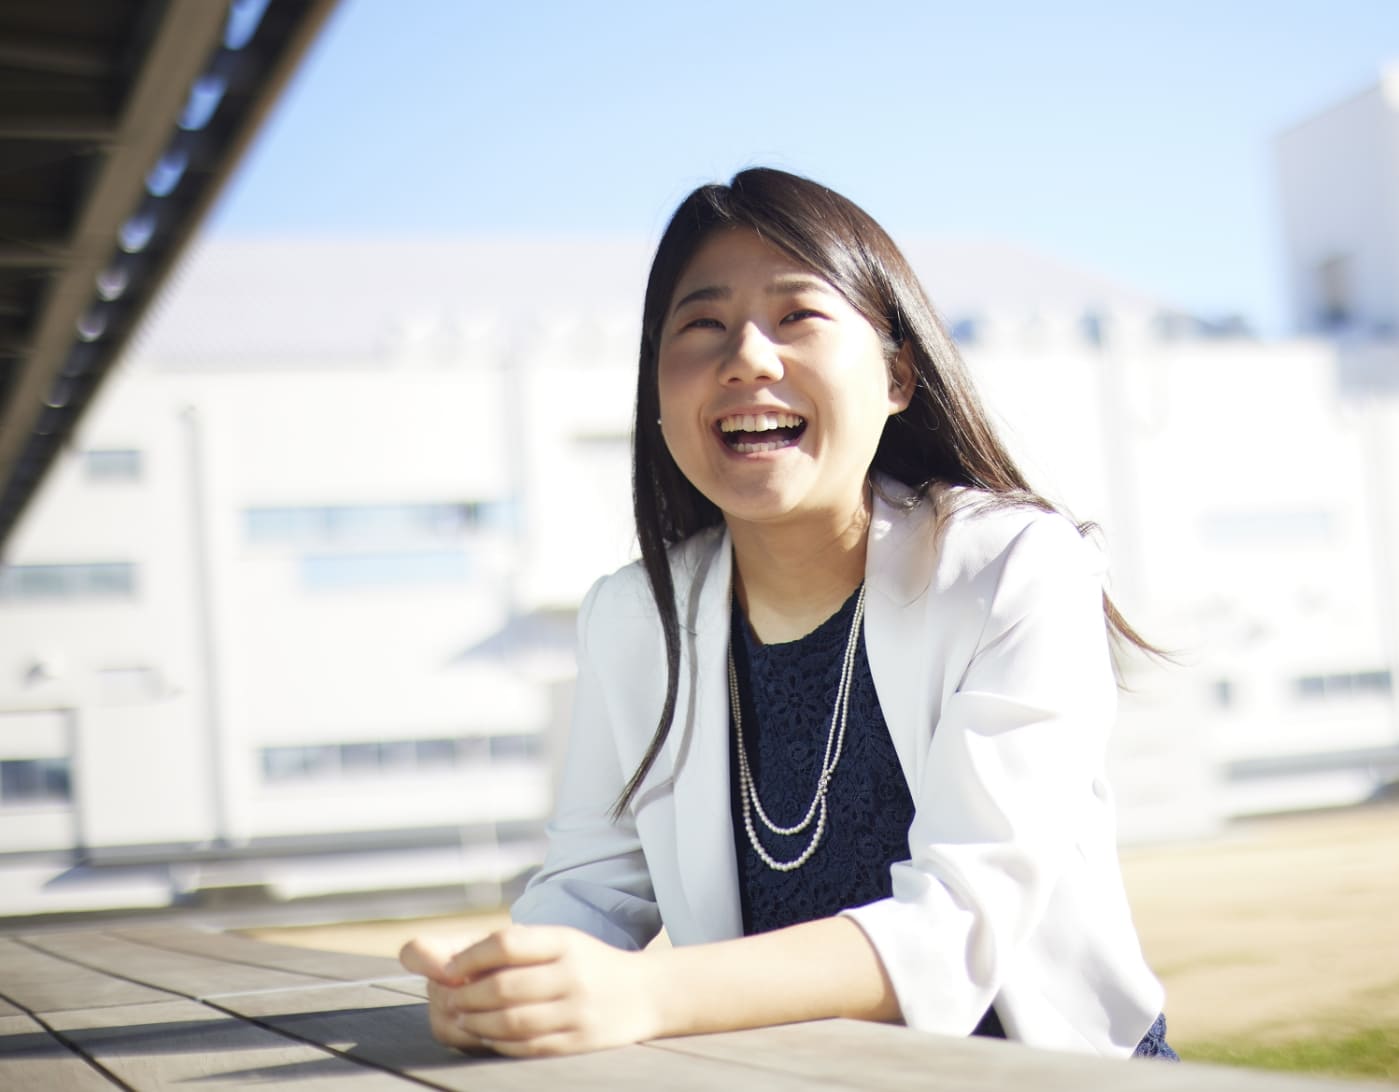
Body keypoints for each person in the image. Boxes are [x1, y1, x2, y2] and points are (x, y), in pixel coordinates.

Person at [400, 167, 1175, 1061]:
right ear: (657, 390)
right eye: (702, 326)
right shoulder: (631, 618)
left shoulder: (1015, 566)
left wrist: (647, 993)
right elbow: (587, 892)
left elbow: (959, 923)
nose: (747, 359)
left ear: (897, 374)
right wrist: (504, 986)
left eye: (797, 315)